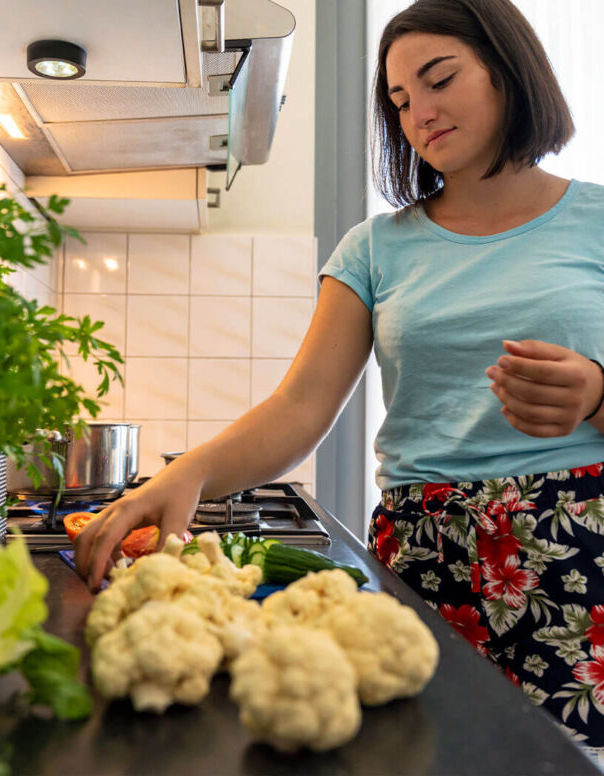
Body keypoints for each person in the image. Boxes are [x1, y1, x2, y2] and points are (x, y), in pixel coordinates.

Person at [76, 0, 604, 754]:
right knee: (415, 755)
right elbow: (299, 408)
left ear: (509, 70)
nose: (418, 111)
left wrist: (598, 393)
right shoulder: (375, 249)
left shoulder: (597, 220)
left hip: (578, 552)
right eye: (398, 100)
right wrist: (183, 476)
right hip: (427, 554)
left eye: (438, 79)